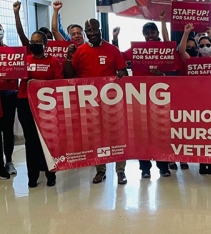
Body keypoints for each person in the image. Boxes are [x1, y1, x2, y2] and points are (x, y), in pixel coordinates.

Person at [64, 18, 128, 185]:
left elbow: (123, 72)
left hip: (112, 102)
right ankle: (100, 170)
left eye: (94, 30)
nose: (92, 33)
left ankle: (120, 171)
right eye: (89, 31)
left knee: (118, 136)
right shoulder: (80, 50)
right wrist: (69, 58)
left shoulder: (112, 50)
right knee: (97, 137)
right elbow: (69, 75)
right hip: (90, 103)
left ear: (100, 30)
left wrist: (122, 73)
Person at [112, 13, 172, 178]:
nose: (150, 35)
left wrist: (162, 74)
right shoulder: (138, 49)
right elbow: (120, 57)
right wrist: (115, 39)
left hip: (161, 96)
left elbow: (174, 68)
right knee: (141, 134)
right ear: (143, 35)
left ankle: (163, 167)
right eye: (147, 33)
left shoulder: (165, 49)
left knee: (161, 133)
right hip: (140, 97)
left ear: (157, 33)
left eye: (152, 32)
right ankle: (145, 169)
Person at [17, 30, 63, 188]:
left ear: (46, 44)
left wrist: (38, 83)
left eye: (38, 42)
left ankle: (51, 174)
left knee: (48, 140)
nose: (35, 45)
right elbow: (14, 74)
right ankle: (32, 176)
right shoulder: (24, 60)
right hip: (25, 103)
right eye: (32, 42)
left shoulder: (54, 61)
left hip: (46, 105)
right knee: (31, 141)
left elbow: (59, 83)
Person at [179, 23, 211, 174]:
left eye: (208, 45)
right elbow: (182, 51)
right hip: (197, 104)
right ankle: (202, 163)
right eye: (202, 45)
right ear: (198, 47)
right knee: (201, 135)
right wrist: (186, 32)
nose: (205, 47)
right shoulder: (193, 60)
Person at [0, 24, 18, 179]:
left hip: (8, 95)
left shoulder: (11, 52)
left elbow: (17, 73)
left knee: (8, 131)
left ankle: (9, 160)